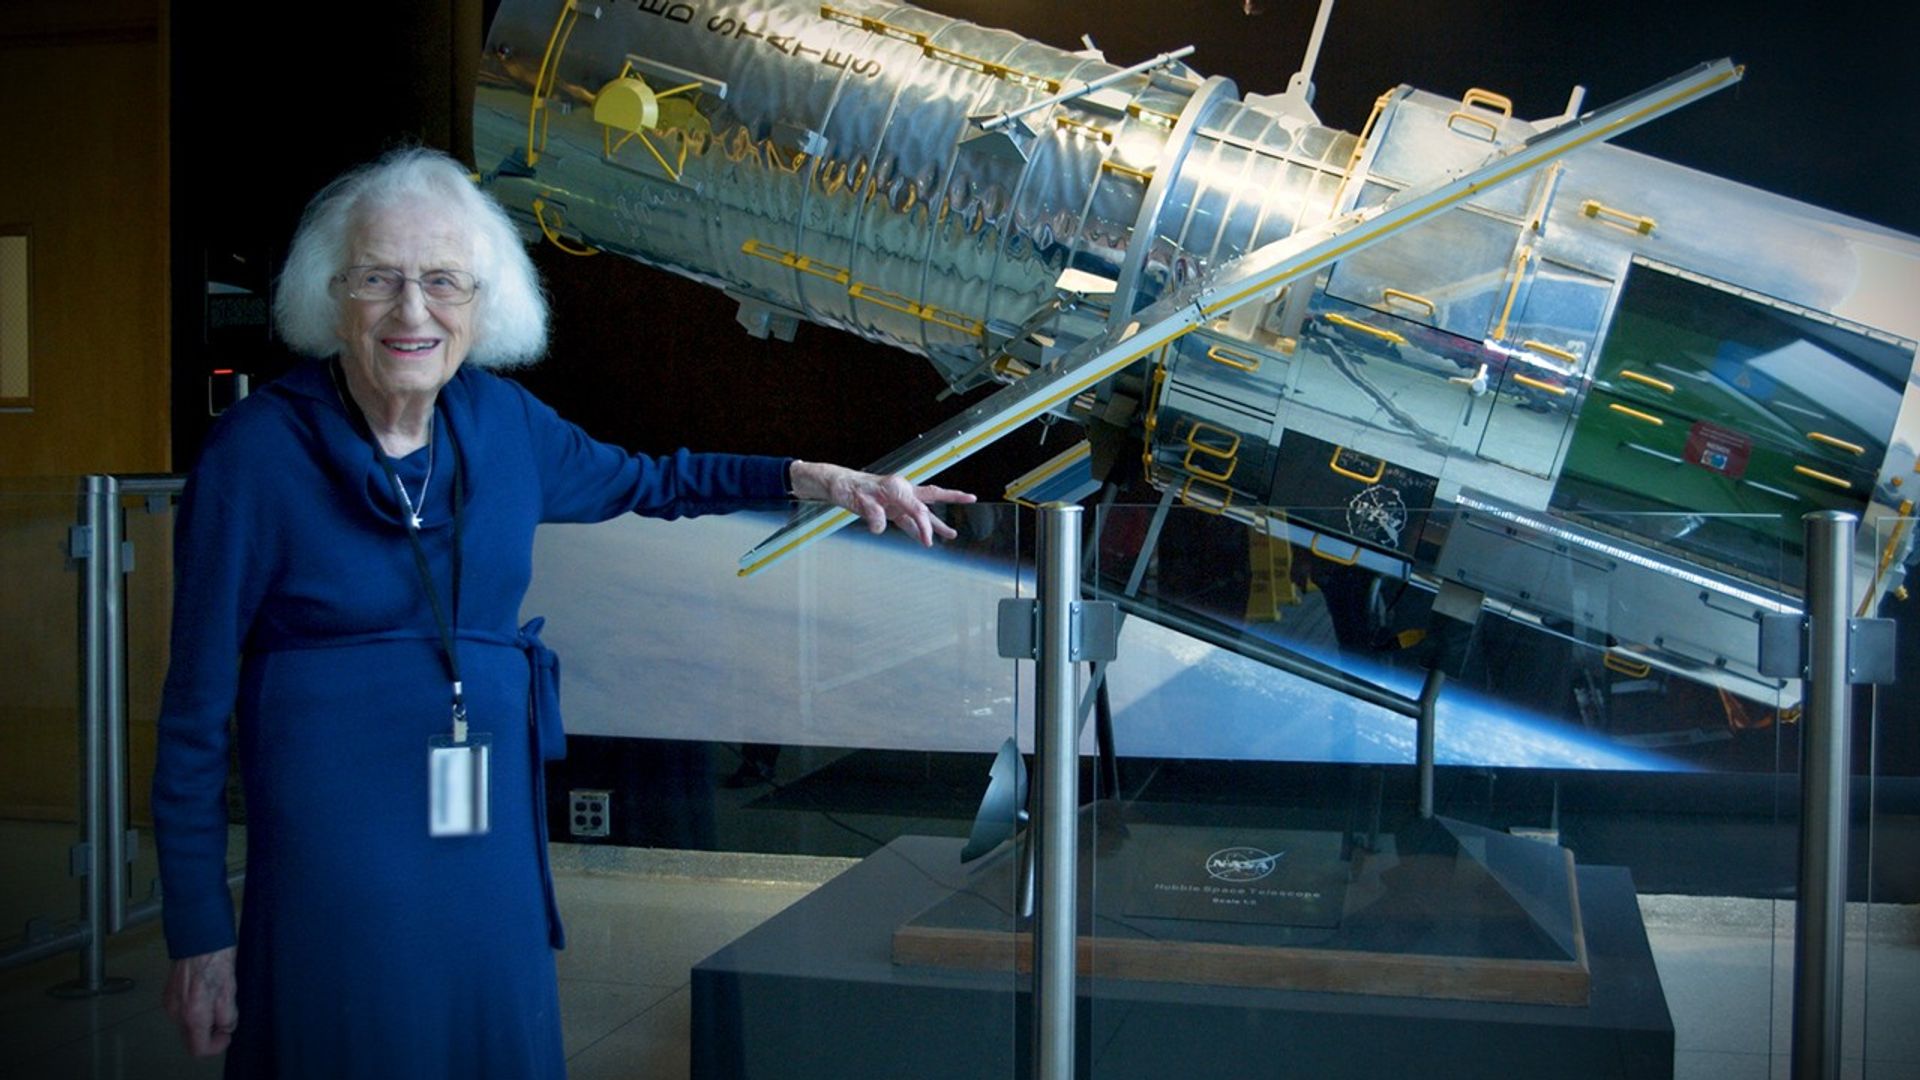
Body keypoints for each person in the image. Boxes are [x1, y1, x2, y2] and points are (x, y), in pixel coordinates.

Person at [152, 146, 973, 1077]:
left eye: (443, 281)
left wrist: (813, 478)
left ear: (483, 301)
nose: (412, 311)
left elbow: (655, 479)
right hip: (333, 854)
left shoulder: (505, 423)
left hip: (482, 830)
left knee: (491, 1039)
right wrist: (198, 928)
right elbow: (192, 714)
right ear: (331, 294)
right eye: (378, 278)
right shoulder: (255, 453)